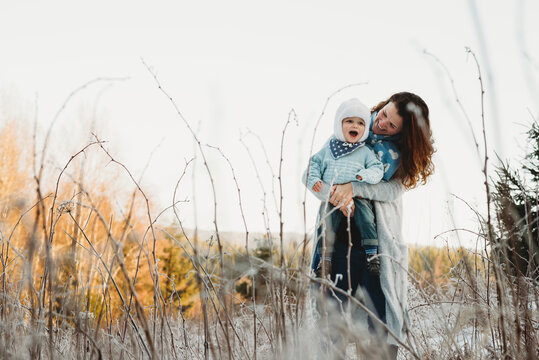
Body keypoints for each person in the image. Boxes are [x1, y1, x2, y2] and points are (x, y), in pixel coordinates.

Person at [304, 92, 435, 360]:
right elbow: (318, 172)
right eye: (384, 113)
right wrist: (333, 191)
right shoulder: (353, 125)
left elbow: (391, 191)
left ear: (402, 135)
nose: (381, 123)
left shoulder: (397, 156)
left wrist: (355, 187)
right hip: (337, 241)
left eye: (391, 125)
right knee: (330, 323)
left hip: (375, 247)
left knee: (380, 326)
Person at [305, 98, 384, 276]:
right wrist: (314, 179)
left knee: (366, 217)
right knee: (326, 223)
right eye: (349, 121)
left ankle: (372, 254)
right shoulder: (329, 148)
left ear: (365, 129)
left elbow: (377, 169)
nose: (354, 125)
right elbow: (313, 164)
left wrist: (363, 176)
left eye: (360, 123)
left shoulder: (364, 152)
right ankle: (325, 260)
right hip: (332, 196)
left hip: (356, 197)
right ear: (339, 124)